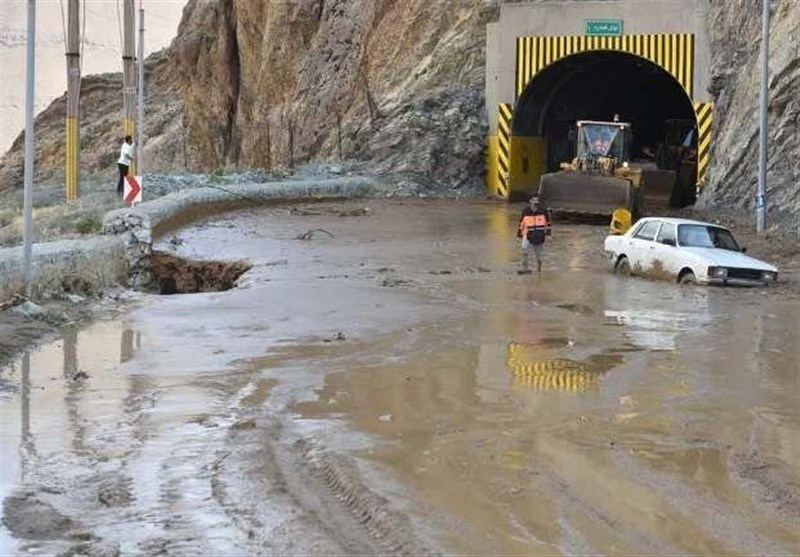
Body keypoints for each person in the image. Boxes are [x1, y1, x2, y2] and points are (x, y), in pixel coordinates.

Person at [517, 196, 552, 273]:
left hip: (539, 235)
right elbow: (521, 222)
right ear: (530, 201)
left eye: (537, 200)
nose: (536, 202)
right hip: (528, 234)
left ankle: (539, 269)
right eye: (534, 200)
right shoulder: (526, 211)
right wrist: (519, 234)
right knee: (524, 250)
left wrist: (548, 234)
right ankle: (525, 268)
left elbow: (548, 223)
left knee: (538, 256)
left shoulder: (543, 211)